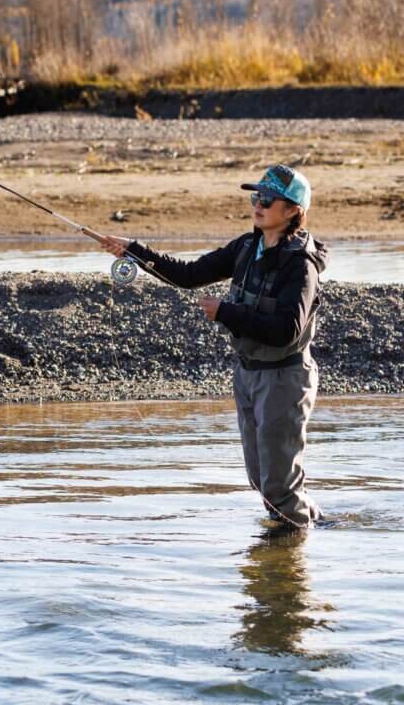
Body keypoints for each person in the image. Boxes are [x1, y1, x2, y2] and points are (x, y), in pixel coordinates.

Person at [96, 164, 328, 528]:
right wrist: (134, 251)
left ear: (293, 211)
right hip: (249, 374)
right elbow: (189, 275)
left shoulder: (300, 266)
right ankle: (309, 530)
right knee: (261, 481)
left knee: (279, 487)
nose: (259, 204)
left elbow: (287, 330)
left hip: (285, 379)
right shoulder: (246, 247)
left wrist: (226, 313)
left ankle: (287, 570)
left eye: (268, 199)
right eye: (256, 196)